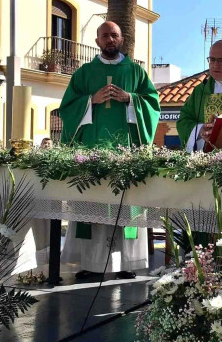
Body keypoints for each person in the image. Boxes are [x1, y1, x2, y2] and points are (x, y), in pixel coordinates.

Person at [59, 21, 160, 280]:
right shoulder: (84, 73)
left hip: (126, 151)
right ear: (97, 41)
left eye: (114, 35)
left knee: (126, 207)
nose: (110, 39)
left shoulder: (136, 72)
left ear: (122, 39)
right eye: (105, 36)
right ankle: (90, 264)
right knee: (92, 205)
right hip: (92, 150)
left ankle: (126, 263)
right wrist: (91, 100)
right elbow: (68, 108)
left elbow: (152, 104)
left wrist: (131, 99)